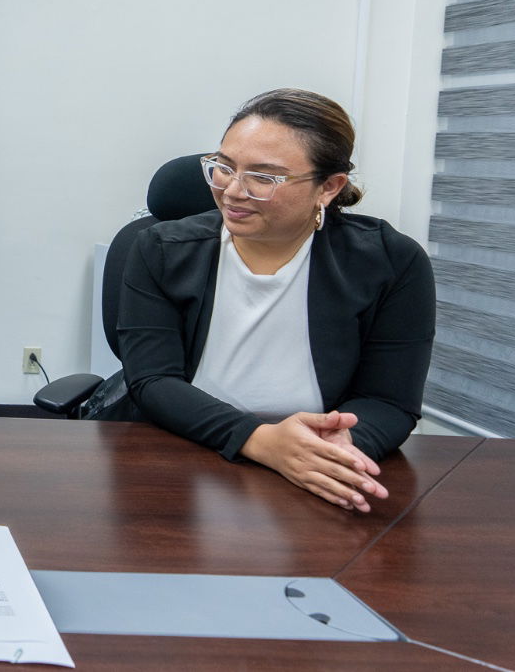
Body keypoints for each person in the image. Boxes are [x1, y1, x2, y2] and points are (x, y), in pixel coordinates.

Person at [116, 88, 434, 513]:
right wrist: (260, 441)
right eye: (224, 167)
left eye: (263, 178)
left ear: (329, 187)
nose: (232, 191)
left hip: (314, 466)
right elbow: (153, 382)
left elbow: (389, 400)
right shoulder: (160, 249)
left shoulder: (391, 261)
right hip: (185, 452)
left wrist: (338, 447)